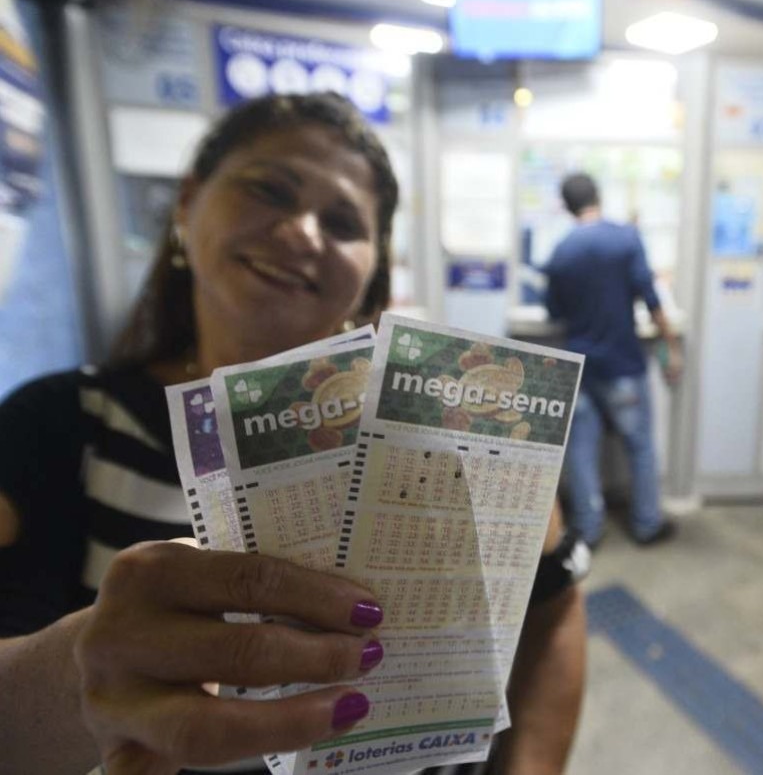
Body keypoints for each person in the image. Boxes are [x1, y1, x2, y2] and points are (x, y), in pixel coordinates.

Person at [0, 93, 585, 775]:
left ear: (371, 274)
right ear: (187, 204)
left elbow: (552, 612)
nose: (304, 231)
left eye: (343, 222)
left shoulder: (445, 430)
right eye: (270, 190)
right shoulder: (58, 423)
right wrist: (79, 673)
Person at [544, 173, 682, 548]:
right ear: (598, 196)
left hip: (580, 366)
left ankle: (588, 529)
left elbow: (554, 309)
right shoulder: (626, 238)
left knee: (581, 449)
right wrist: (671, 345)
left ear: (568, 206)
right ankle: (647, 523)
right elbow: (651, 298)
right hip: (622, 363)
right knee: (639, 445)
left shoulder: (562, 251)